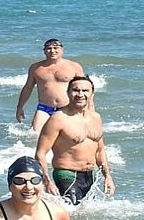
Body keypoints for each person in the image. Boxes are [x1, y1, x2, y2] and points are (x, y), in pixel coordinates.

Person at [35, 76, 115, 205]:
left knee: (86, 215)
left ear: (92, 94)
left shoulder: (96, 118)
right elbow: (40, 153)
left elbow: (100, 150)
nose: (80, 94)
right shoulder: (58, 119)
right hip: (67, 174)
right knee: (72, 213)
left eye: (85, 90)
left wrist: (108, 177)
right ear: (68, 92)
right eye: (75, 90)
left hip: (91, 176)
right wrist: (47, 182)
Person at [16, 38, 86, 133]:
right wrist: (20, 107)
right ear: (44, 51)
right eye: (49, 48)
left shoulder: (74, 66)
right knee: (35, 134)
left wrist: (88, 109)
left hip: (67, 107)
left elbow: (84, 88)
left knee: (71, 135)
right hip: (44, 108)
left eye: (55, 48)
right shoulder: (36, 68)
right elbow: (28, 88)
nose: (52, 51)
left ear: (61, 49)